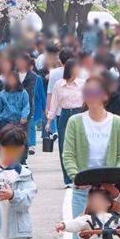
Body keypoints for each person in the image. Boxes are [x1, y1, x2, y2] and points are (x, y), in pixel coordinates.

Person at [61, 77, 120, 239]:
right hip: (83, 190)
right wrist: (77, 177)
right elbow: (68, 155)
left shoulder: (117, 123)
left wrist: (114, 181)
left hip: (107, 191)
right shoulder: (75, 122)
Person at [47, 59, 84, 187]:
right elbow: (54, 103)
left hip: (80, 115)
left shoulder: (83, 84)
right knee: (64, 146)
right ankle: (67, 179)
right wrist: (49, 121)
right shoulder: (59, 84)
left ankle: (79, 177)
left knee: (80, 146)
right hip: (64, 115)